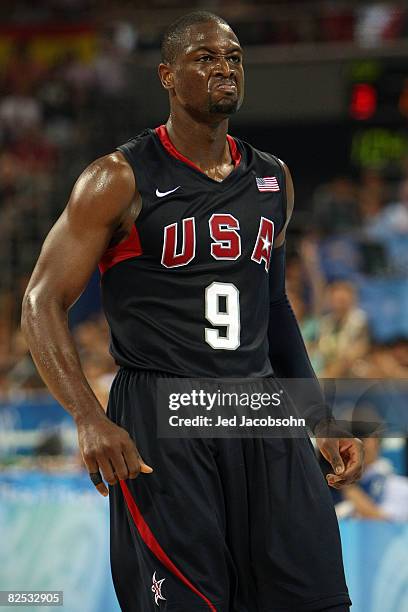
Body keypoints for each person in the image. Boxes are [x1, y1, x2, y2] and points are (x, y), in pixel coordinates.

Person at [21, 11, 363, 612]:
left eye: (232, 57)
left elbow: (275, 309)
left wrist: (316, 414)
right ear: (167, 76)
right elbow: (41, 300)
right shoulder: (117, 178)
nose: (223, 67)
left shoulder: (272, 178)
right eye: (204, 58)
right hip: (161, 411)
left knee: (316, 600)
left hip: (258, 408)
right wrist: (86, 415)